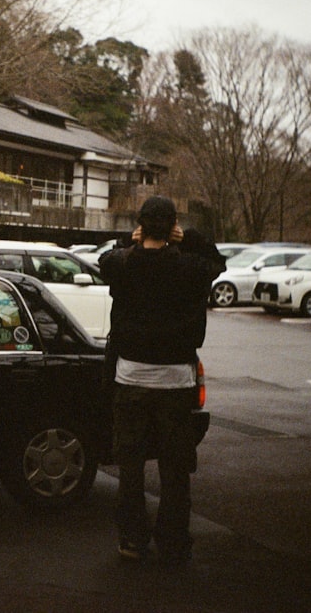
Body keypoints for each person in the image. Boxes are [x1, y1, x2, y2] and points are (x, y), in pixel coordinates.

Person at [98, 196, 225, 565]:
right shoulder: (191, 268)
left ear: (140, 225)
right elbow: (217, 261)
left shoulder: (121, 264)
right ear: (172, 227)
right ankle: (172, 541)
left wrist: (130, 241)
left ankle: (132, 540)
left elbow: (105, 258)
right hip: (176, 378)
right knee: (175, 467)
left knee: (131, 465)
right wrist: (189, 239)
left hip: (130, 375)